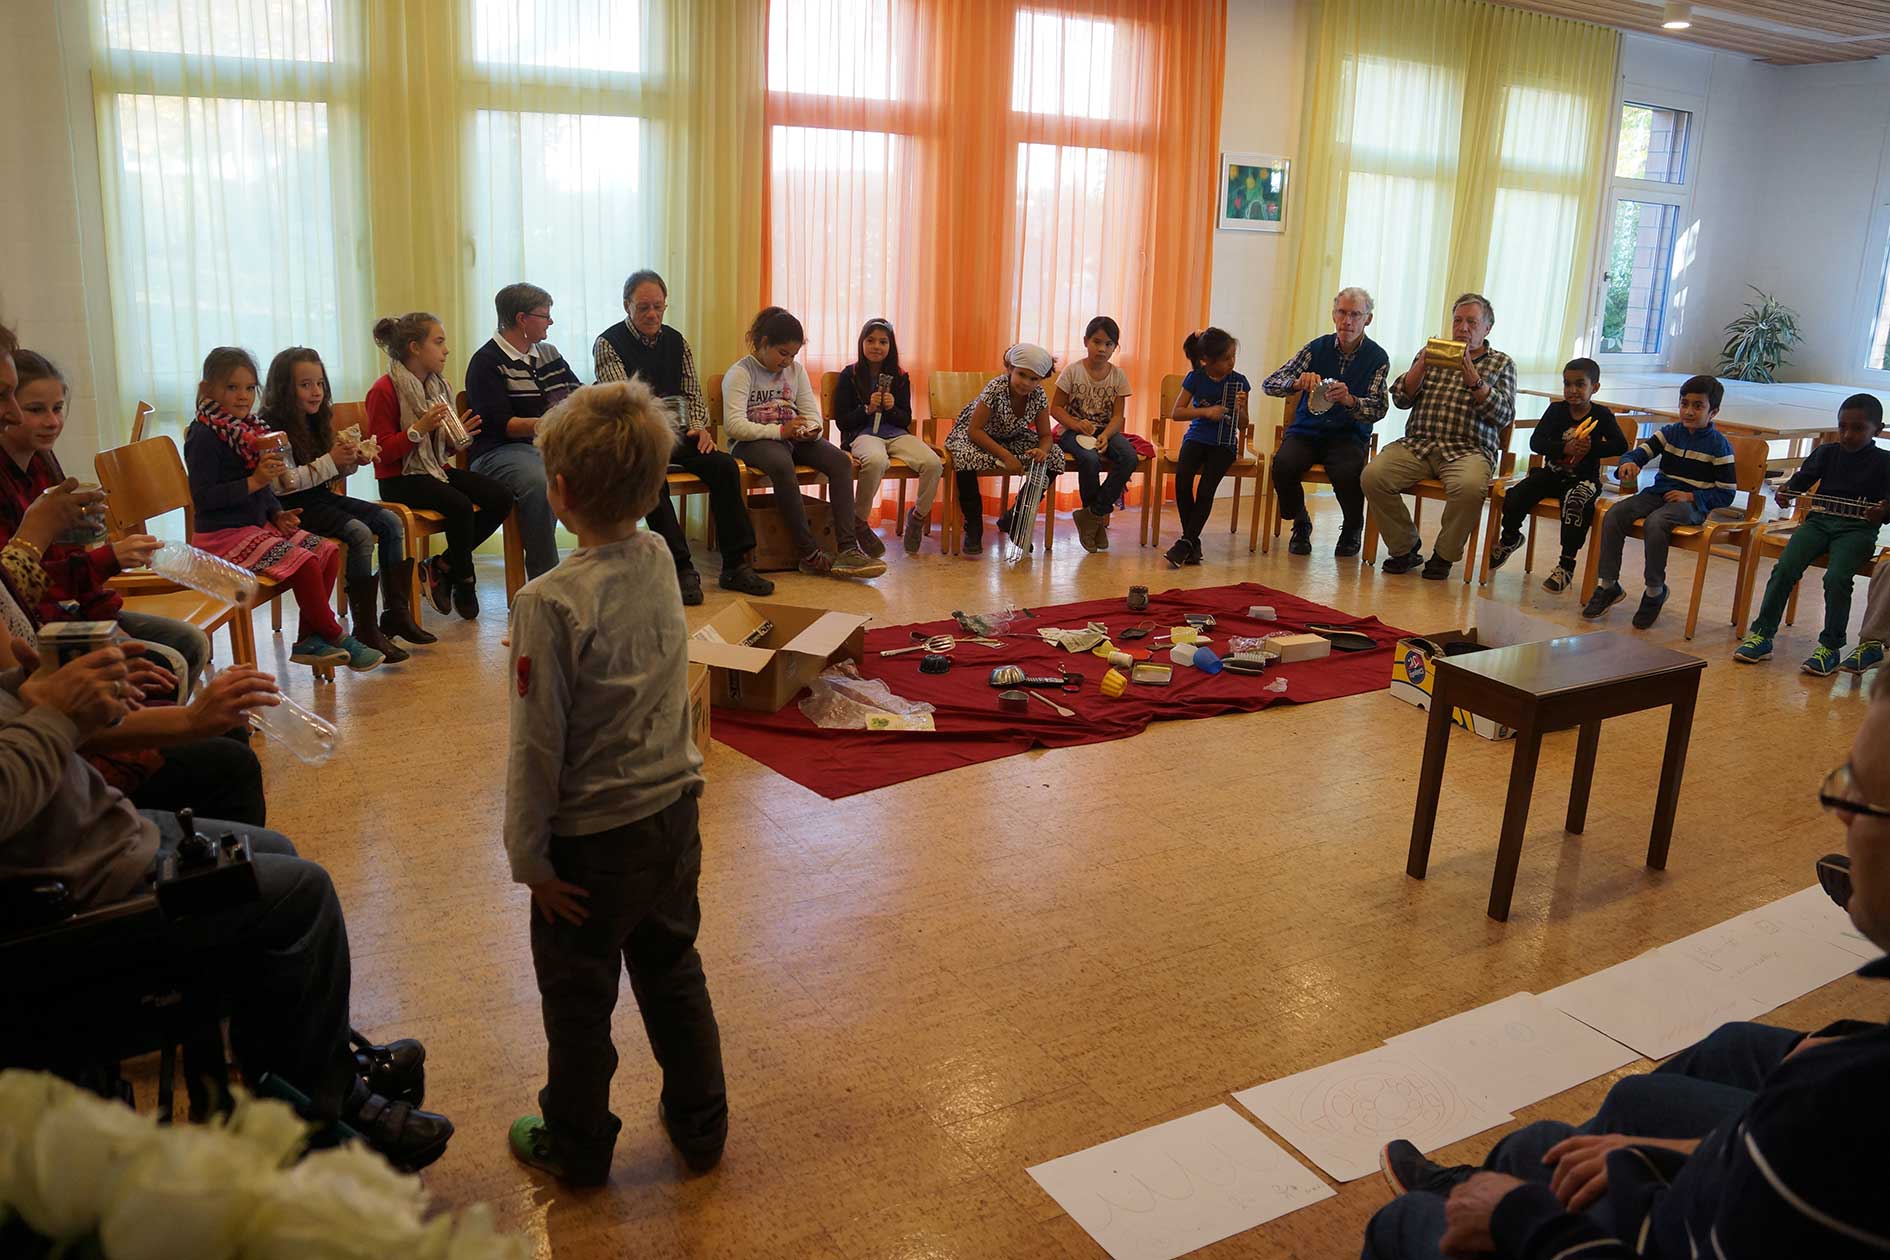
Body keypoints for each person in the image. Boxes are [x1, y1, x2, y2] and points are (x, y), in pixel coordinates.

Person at [1362, 668, 1890, 1259]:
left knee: (1408, 1220)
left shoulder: (1829, 1118)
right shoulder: (1838, 1093)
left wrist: (1523, 1217)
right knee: (1716, 1054)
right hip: (1758, 1158)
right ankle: (1479, 1188)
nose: (1841, 816)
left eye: (1863, 797)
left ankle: (1470, 1203)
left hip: (1679, 1225)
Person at [0, 631, 454, 1171]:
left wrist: (32, 687)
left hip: (94, 834)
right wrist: (55, 710)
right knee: (301, 894)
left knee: (274, 852)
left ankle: (296, 1081)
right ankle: (325, 1117)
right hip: (56, 903)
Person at [505, 379, 725, 1184]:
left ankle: (577, 1145)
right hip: (674, 815)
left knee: (578, 1002)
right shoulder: (661, 552)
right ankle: (703, 1129)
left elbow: (537, 746)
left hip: (590, 848)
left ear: (559, 491)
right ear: (656, 486)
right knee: (675, 974)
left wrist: (529, 859)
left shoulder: (547, 601)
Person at [0, 346, 208, 694]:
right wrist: (108, 559)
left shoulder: (42, 463)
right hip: (39, 626)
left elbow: (70, 562)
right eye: (35, 410)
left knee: (189, 642)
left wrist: (107, 618)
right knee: (167, 663)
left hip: (65, 611)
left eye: (57, 408)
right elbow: (20, 593)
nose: (52, 421)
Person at [185, 348, 383, 673]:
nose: (243, 396)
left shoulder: (248, 429)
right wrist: (255, 481)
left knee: (326, 552)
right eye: (232, 387)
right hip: (222, 536)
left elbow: (265, 488)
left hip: (255, 526)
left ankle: (309, 639)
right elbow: (205, 498)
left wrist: (276, 513)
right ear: (207, 390)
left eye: (249, 388)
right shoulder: (204, 435)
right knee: (304, 562)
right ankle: (335, 634)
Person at [592, 269, 773, 602]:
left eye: (658, 307)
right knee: (651, 477)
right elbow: (624, 403)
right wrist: (661, 427)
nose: (652, 314)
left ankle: (736, 564)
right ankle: (679, 568)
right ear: (627, 305)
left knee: (725, 467)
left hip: (679, 432)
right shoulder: (608, 343)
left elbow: (693, 394)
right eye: (643, 307)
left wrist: (700, 427)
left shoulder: (677, 341)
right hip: (639, 439)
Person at [259, 347, 432, 664]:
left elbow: (326, 473)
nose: (316, 392)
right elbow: (284, 483)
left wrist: (351, 461)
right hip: (289, 509)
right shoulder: (271, 429)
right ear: (284, 389)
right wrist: (332, 461)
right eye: (305, 385)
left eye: (320, 384)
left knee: (391, 522)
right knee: (360, 534)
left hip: (319, 498)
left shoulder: (316, 419)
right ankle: (365, 628)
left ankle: (396, 613)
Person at [365, 312, 514, 621]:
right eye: (439, 342)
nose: (446, 350)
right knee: (459, 505)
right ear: (415, 347)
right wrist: (418, 429)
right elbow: (383, 453)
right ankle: (465, 582)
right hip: (399, 478)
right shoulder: (384, 390)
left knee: (501, 496)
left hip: (434, 469)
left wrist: (457, 439)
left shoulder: (438, 386)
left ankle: (443, 565)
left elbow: (439, 450)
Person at [722, 306, 885, 579]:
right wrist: (780, 432)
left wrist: (811, 431)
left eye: (793, 355)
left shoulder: (796, 371)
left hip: (791, 436)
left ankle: (848, 549)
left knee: (840, 461)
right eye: (782, 353)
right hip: (754, 440)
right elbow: (734, 425)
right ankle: (809, 553)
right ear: (763, 343)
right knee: (782, 463)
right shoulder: (741, 372)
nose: (787, 361)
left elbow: (811, 414)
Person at [1363, 293, 1517, 580]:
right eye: (1457, 321)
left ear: (1487, 328)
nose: (1463, 328)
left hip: (1468, 450)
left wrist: (1475, 382)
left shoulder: (1501, 363)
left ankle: (1444, 555)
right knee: (1373, 475)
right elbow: (1400, 399)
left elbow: (1504, 415)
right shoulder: (1432, 353)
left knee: (1469, 487)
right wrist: (1421, 365)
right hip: (1418, 444)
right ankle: (1405, 548)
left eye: (1472, 322)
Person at [1734, 395, 1890, 675]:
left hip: (1857, 530)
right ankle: (1763, 635)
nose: (1847, 434)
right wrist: (1787, 493)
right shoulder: (1827, 453)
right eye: (1842, 426)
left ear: (1877, 430)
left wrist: (1883, 511)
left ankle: (1830, 647)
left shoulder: (1884, 462)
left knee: (1837, 578)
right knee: (1784, 569)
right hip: (1818, 522)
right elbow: (1801, 480)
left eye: (1858, 428)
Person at [1583, 376, 1737, 630]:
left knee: (1656, 522)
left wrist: (1692, 496)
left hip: (1692, 504)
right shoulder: (1669, 433)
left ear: (1713, 412)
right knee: (1614, 514)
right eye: (1684, 404)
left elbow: (1727, 493)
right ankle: (1608, 585)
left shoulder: (1719, 446)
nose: (1689, 411)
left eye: (1698, 406)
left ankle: (1655, 591)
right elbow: (1637, 454)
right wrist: (1628, 463)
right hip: (1658, 493)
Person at [463, 284, 581, 583]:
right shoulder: (486, 362)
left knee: (605, 465)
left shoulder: (549, 353)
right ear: (522, 319)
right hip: (498, 452)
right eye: (545, 315)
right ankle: (547, 581)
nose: (550, 321)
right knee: (543, 480)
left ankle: (600, 568)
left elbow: (576, 395)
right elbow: (499, 424)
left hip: (542, 448)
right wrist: (545, 423)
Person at [1260, 287, 1390, 558]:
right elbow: (1270, 383)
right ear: (1333, 315)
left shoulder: (1377, 358)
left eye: (1355, 314)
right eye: (1342, 312)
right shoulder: (1315, 348)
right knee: (1283, 465)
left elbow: (1379, 408)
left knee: (1348, 472)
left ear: (1368, 319)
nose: (1347, 321)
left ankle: (1352, 527)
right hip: (1307, 432)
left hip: (1348, 434)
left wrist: (1351, 400)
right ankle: (1301, 522)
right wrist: (1297, 383)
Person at [1488, 358, 1629, 593]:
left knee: (1576, 505)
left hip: (1583, 479)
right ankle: (1510, 537)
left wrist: (1591, 448)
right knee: (1516, 495)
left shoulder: (1602, 415)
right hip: (1552, 474)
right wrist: (1564, 448)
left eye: (1580, 384)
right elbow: (1536, 442)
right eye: (1567, 384)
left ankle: (1566, 564)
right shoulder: (1556, 410)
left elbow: (1620, 445)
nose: (1572, 390)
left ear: (1594, 387)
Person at [944, 343, 1068, 557]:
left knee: (1055, 456)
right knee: (964, 457)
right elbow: (974, 431)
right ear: (1010, 368)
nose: (1026, 383)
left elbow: (1046, 436)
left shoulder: (1038, 395)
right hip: (978, 435)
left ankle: (1016, 518)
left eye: (1033, 379)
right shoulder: (996, 388)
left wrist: (1042, 451)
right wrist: (1007, 457)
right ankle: (973, 526)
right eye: (1021, 374)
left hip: (1011, 437)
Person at [834, 317, 942, 558]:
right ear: (862, 343)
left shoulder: (900, 376)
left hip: (896, 434)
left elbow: (905, 419)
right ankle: (859, 521)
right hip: (863, 434)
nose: (876, 346)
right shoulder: (849, 375)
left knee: (933, 463)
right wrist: (867, 409)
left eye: (883, 342)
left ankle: (917, 517)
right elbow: (842, 421)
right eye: (870, 340)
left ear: (890, 346)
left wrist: (892, 408)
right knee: (876, 461)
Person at [1163, 327, 1251, 569]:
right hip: (1196, 437)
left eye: (1233, 356)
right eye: (1226, 358)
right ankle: (1191, 542)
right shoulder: (1195, 377)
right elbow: (1177, 413)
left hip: (1224, 444)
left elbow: (1243, 425)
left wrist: (1241, 409)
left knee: (1205, 489)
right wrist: (1206, 412)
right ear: (1207, 361)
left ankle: (1186, 543)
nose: (1231, 362)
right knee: (1182, 482)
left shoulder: (1239, 382)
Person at [1050, 316, 1137, 553]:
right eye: (1097, 342)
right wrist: (1077, 424)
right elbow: (1055, 409)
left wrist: (1107, 435)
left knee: (1129, 457)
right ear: (1086, 341)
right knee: (1089, 458)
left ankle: (1091, 515)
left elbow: (1117, 416)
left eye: (1109, 344)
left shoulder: (1118, 375)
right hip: (1072, 430)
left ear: (1115, 347)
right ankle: (1095, 523)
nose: (1102, 349)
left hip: (1104, 430)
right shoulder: (1073, 371)